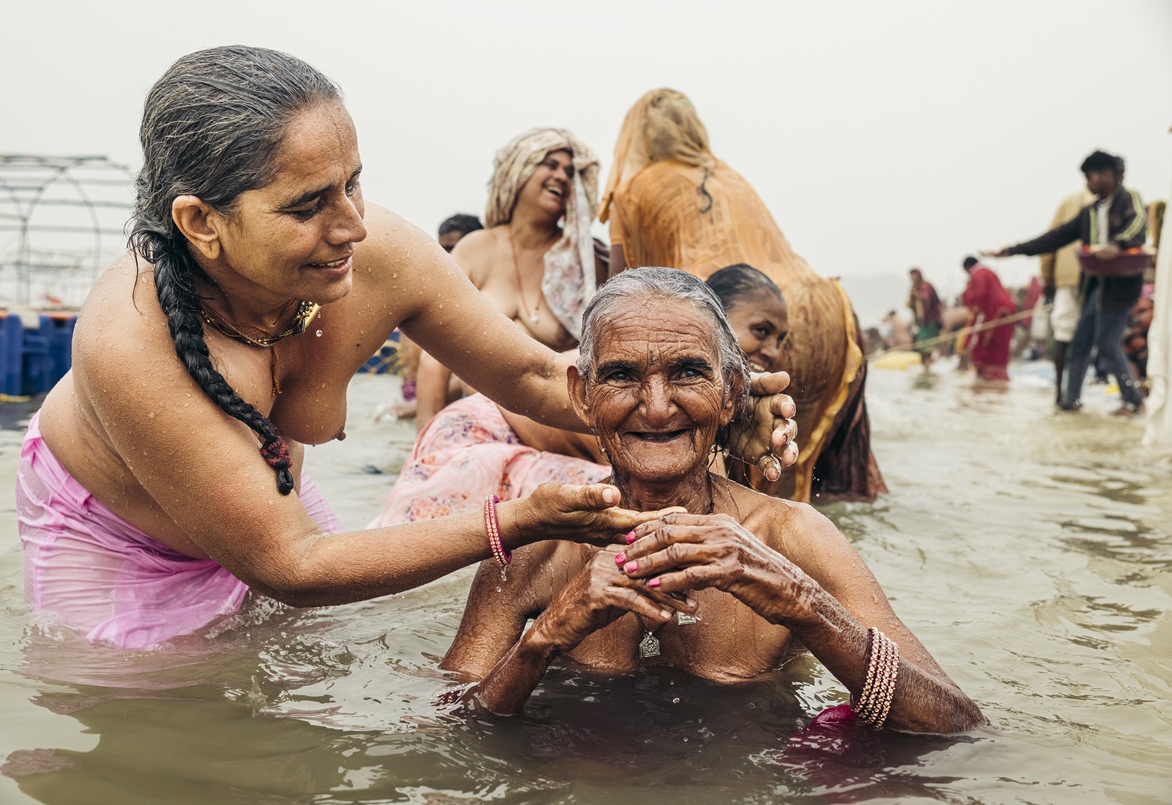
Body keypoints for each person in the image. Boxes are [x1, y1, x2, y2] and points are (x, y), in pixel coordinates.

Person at [15, 46, 798, 650]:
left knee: (314, 671)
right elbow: (291, 567)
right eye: (309, 205)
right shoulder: (129, 341)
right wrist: (518, 518)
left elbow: (531, 372)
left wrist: (720, 412)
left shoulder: (375, 253)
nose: (354, 224)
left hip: (273, 508)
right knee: (162, 733)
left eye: (354, 182)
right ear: (200, 222)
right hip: (118, 544)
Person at [439, 268, 984, 734]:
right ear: (582, 396)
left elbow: (958, 725)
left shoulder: (788, 538)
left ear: (729, 394)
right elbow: (452, 731)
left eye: (687, 373)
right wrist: (547, 635)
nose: (656, 408)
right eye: (622, 375)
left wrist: (798, 599)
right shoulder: (538, 547)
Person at [599, 88, 884, 503]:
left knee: (724, 475)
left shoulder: (636, 188)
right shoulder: (731, 175)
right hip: (823, 307)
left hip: (739, 314)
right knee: (796, 466)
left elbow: (616, 293)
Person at [371, 263, 804, 527]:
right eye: (760, 331)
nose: (771, 349)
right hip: (481, 434)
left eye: (689, 371)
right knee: (606, 513)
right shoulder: (626, 346)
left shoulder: (725, 407)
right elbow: (517, 378)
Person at [415, 128, 607, 430]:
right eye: (551, 165)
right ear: (520, 169)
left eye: (570, 172)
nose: (561, 176)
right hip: (480, 426)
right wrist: (422, 450)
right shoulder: (476, 248)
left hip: (557, 428)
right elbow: (432, 362)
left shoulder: (586, 263)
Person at [987, 150, 1148, 414]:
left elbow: (1138, 226)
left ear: (1107, 175)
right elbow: (1055, 237)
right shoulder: (1090, 212)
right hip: (1094, 285)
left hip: (1121, 285)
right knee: (1081, 341)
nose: (1088, 184)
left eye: (1090, 177)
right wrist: (1014, 249)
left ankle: (1133, 400)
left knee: (1107, 343)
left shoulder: (1130, 199)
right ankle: (1070, 400)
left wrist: (1116, 245)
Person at [391, 214, 486, 419]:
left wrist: (416, 408)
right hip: (413, 400)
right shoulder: (424, 294)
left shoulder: (481, 305)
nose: (446, 256)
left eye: (452, 247)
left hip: (446, 408)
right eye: (442, 248)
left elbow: (473, 377)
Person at [1037, 189, 1097, 400]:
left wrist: (1048, 278)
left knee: (1064, 334)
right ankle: (1072, 395)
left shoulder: (1070, 203)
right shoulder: (1106, 201)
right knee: (1088, 336)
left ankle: (1060, 394)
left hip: (1070, 276)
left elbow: (1050, 241)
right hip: (1096, 277)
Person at [960, 256, 1016, 383]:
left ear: (968, 268)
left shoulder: (978, 275)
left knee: (987, 347)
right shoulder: (989, 272)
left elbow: (978, 297)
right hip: (1004, 311)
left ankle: (990, 381)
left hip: (994, 313)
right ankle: (995, 383)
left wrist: (973, 306)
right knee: (998, 346)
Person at [907, 268, 944, 373]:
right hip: (922, 324)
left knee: (926, 349)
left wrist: (918, 295)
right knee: (922, 350)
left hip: (930, 322)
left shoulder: (925, 287)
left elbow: (926, 299)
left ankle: (928, 371)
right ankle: (926, 371)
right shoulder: (915, 288)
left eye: (914, 276)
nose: (912, 279)